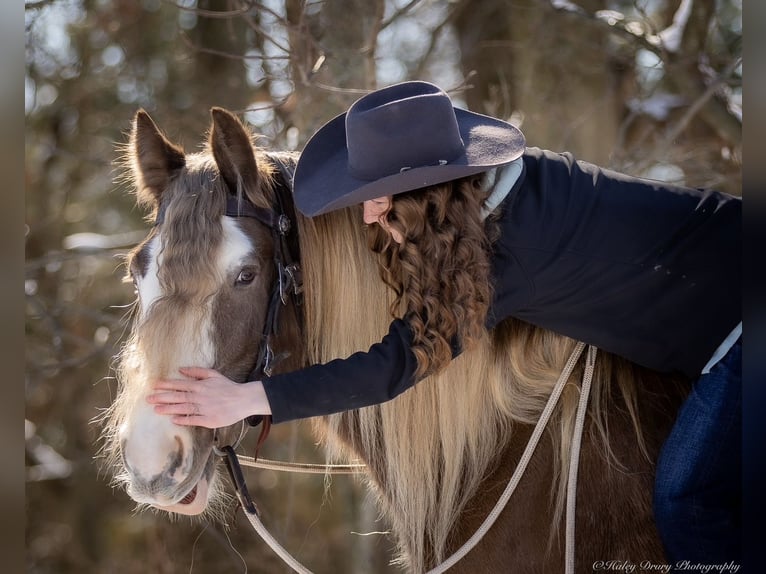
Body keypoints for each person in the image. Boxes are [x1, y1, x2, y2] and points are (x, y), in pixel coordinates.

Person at [147, 81, 741, 568]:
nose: (368, 212)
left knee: (686, 497)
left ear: (429, 191)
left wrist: (251, 398)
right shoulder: (500, 196)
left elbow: (398, 364)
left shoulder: (508, 254)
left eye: (380, 197)